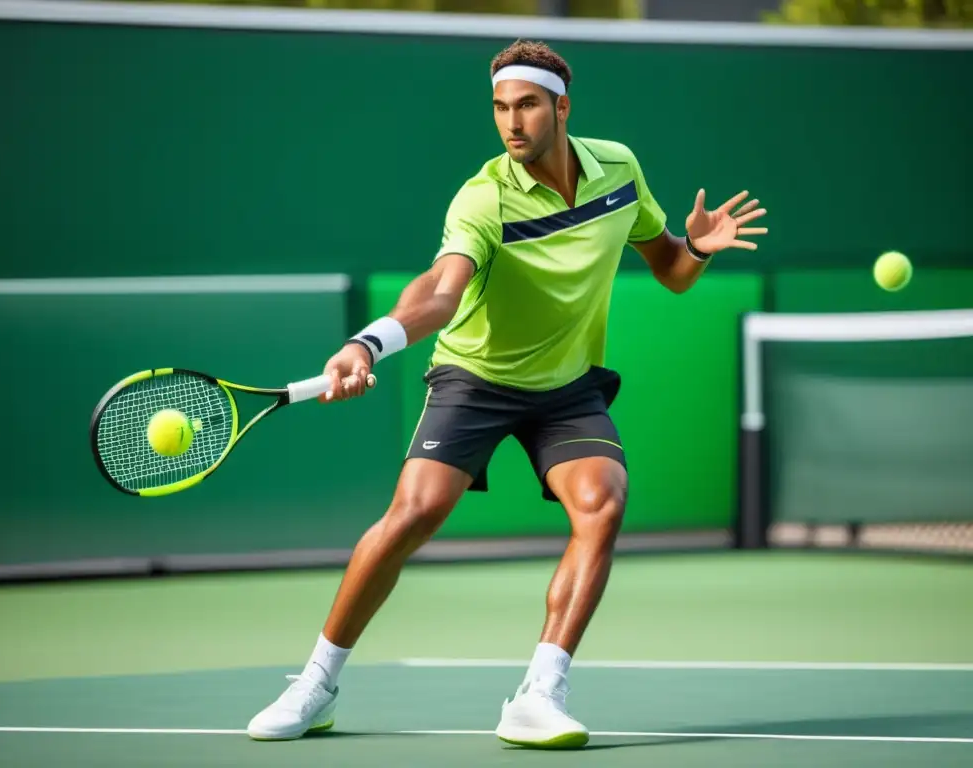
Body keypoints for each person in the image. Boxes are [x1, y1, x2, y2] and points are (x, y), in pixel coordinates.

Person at [247, 39, 767, 749]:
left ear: (561, 106)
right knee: (414, 514)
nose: (510, 122)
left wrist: (699, 248)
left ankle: (539, 693)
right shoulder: (483, 197)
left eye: (525, 105)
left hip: (566, 385)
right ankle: (315, 682)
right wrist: (367, 343)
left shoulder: (619, 168)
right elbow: (438, 292)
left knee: (603, 504)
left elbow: (670, 269)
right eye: (499, 107)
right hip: (476, 378)